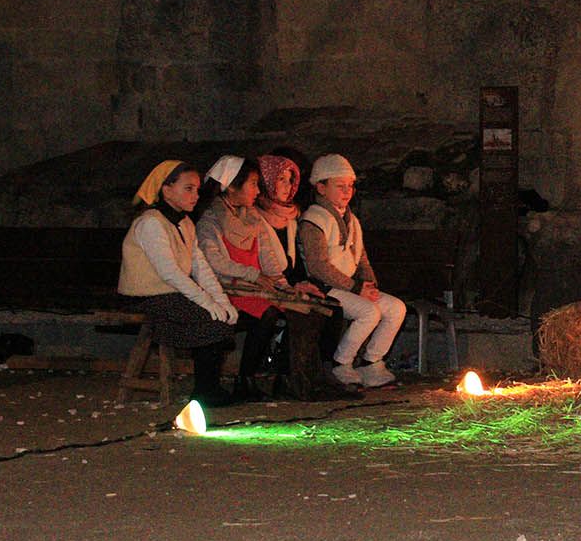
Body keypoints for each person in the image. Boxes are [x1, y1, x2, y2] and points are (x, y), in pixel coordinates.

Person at [196, 155, 326, 402]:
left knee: (307, 308)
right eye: (253, 184)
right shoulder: (211, 221)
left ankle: (288, 378)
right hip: (229, 290)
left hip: (256, 289)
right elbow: (215, 262)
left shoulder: (252, 218)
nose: (258, 190)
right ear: (232, 186)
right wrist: (253, 275)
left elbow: (269, 263)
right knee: (268, 312)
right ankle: (245, 378)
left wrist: (287, 289)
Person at [116, 161, 238, 408]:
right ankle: (205, 390)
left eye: (196, 189)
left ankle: (208, 388)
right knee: (211, 323)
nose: (196, 195)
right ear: (166, 189)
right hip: (148, 295)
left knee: (222, 319)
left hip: (171, 292)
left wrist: (221, 300)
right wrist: (206, 302)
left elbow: (200, 267)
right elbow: (169, 271)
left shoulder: (184, 223)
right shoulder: (151, 223)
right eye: (188, 188)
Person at [297, 154, 405, 388]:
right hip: (325, 287)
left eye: (350, 186)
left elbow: (361, 257)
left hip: (351, 286)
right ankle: (340, 363)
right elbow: (318, 266)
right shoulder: (313, 220)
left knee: (396, 308)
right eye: (340, 186)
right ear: (321, 187)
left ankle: (371, 362)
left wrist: (369, 285)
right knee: (368, 312)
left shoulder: (351, 220)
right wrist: (356, 288)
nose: (347, 192)